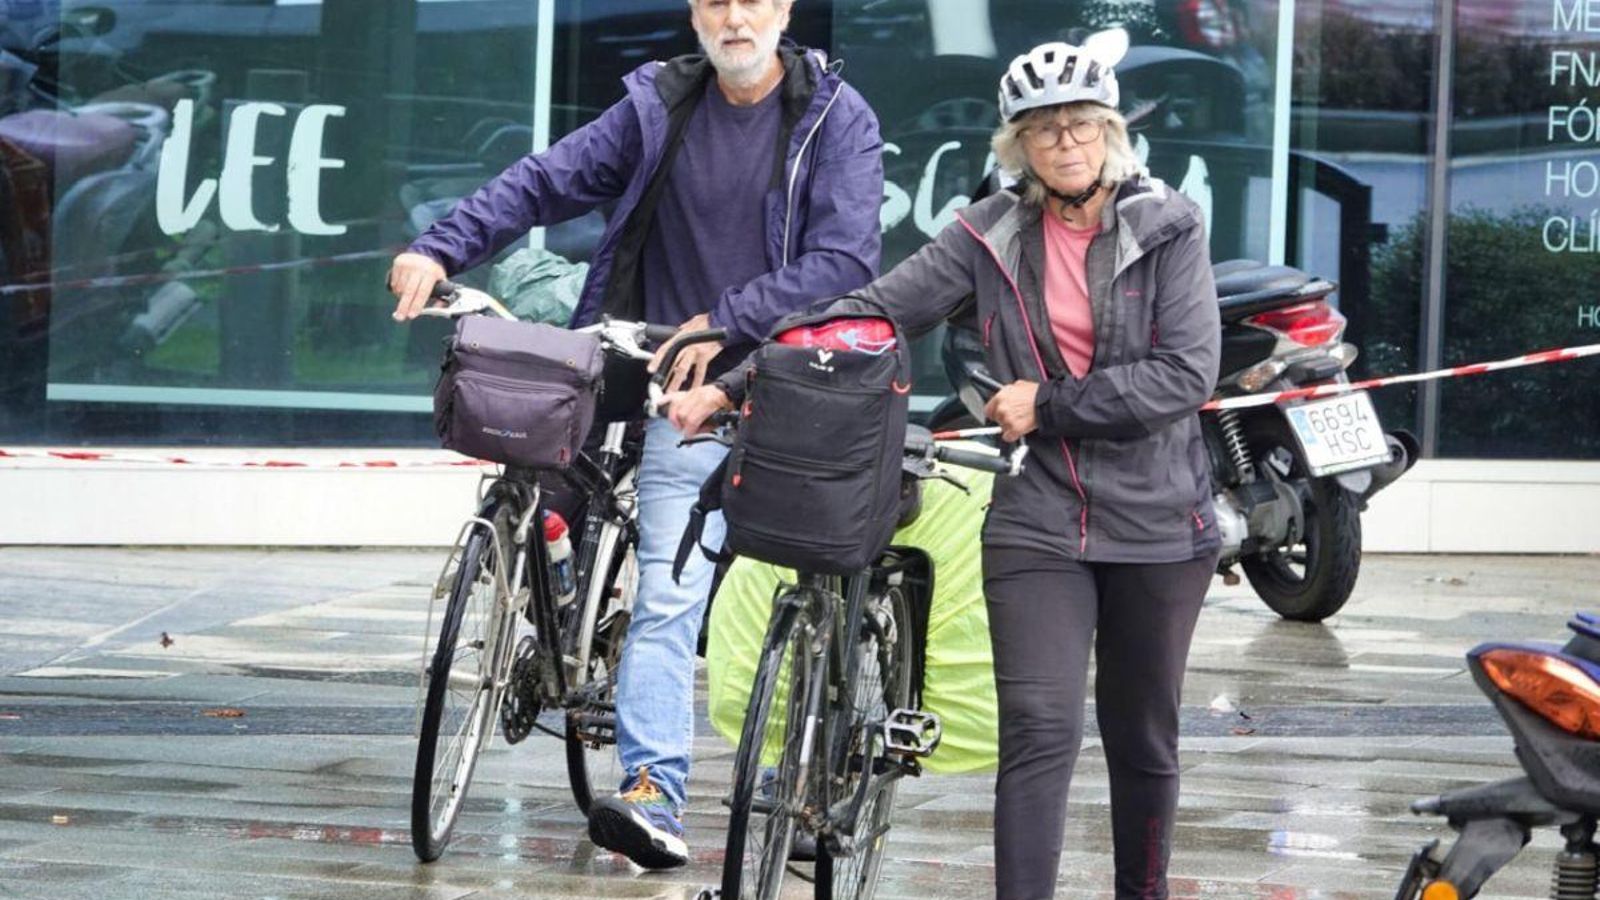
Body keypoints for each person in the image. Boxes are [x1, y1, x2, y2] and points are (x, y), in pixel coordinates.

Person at [667, 30, 1221, 899]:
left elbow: (1185, 375)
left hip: (1160, 519)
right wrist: (737, 383)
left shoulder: (1169, 227)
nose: (1066, 143)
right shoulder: (989, 232)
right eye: (1045, 130)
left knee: (1140, 736)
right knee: (1038, 731)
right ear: (1018, 146)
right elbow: (868, 312)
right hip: (1038, 519)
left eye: (1081, 125)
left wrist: (1048, 403)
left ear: (1112, 130)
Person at [387, 0, 883, 870]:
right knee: (645, 559)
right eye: (717, 1)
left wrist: (721, 322)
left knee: (720, 586)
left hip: (777, 382)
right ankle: (650, 782)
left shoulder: (835, 119)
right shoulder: (662, 102)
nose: (736, 18)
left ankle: (795, 774)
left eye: (754, 0)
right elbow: (544, 181)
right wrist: (440, 247)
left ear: (785, 10)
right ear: (697, 12)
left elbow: (843, 262)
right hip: (656, 370)